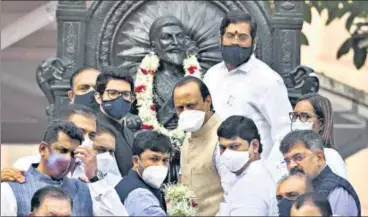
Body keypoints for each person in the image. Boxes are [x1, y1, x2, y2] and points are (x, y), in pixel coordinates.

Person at [204, 11, 292, 158]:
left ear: (254, 43)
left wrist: (272, 175)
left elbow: (284, 135)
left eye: (242, 37)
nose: (235, 42)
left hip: (254, 173)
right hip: (215, 173)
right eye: (230, 36)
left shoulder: (268, 80)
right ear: (221, 39)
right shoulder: (211, 75)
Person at [1, 120, 94, 216]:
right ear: (42, 149)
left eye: (73, 154)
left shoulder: (85, 189)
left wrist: (95, 179)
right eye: (62, 150)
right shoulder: (12, 188)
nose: (68, 159)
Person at [173, 76, 224, 216]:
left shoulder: (224, 138)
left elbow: (234, 194)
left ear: (207, 102)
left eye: (191, 105)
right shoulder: (189, 135)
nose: (185, 112)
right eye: (179, 108)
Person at [280, 130, 361, 216]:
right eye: (287, 161)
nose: (291, 165)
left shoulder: (336, 191)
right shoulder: (302, 189)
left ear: (319, 157)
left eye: (298, 157)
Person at [218, 115, 279, 216]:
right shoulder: (247, 175)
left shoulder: (251, 184)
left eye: (234, 146)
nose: (227, 154)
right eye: (223, 148)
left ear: (254, 146)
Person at [290, 93, 347, 179]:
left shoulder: (330, 157)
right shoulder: (283, 153)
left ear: (320, 124)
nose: (297, 121)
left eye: (304, 116)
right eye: (295, 116)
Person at [115, 131, 171, 216]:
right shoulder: (141, 197)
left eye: (165, 160)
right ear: (136, 161)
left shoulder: (127, 182)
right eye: (154, 159)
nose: (160, 165)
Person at [94, 68, 135, 177]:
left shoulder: (129, 134)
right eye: (113, 93)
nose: (120, 98)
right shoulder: (93, 131)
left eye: (126, 94)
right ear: (98, 97)